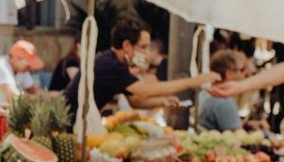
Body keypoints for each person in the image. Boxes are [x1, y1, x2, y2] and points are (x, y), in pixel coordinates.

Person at [63, 17, 219, 119]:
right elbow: (144, 90)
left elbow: (135, 101)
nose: (146, 53)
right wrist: (192, 82)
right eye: (143, 47)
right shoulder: (109, 65)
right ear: (126, 45)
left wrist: (164, 101)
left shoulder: (115, 63)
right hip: (67, 123)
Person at [198, 51, 249, 130]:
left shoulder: (205, 92)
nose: (244, 74)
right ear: (229, 74)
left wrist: (248, 124)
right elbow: (238, 135)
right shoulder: (224, 101)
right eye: (242, 70)